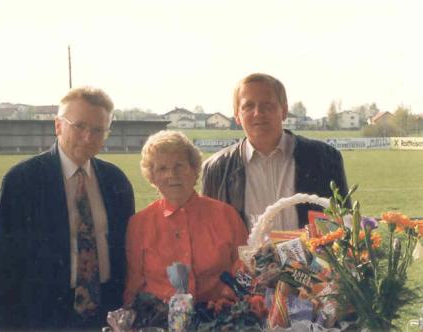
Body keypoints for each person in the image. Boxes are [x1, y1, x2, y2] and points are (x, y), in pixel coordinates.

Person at [0, 86, 135, 330]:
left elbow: (127, 256)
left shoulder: (116, 182)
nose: (88, 137)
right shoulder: (22, 181)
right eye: (79, 126)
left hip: (107, 317)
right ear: (58, 125)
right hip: (42, 319)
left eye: (97, 130)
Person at [202, 73, 349, 231]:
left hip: (311, 256)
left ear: (284, 110)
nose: (258, 113)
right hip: (244, 257)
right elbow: (210, 236)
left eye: (267, 105)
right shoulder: (216, 169)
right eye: (248, 106)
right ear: (237, 115)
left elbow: (344, 225)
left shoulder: (325, 158)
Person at [124, 130, 248, 305]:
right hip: (160, 322)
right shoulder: (139, 224)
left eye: (179, 166)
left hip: (220, 318)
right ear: (152, 177)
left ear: (194, 169)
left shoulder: (226, 215)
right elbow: (133, 287)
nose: (171, 174)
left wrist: (228, 300)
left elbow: (245, 270)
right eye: (162, 168)